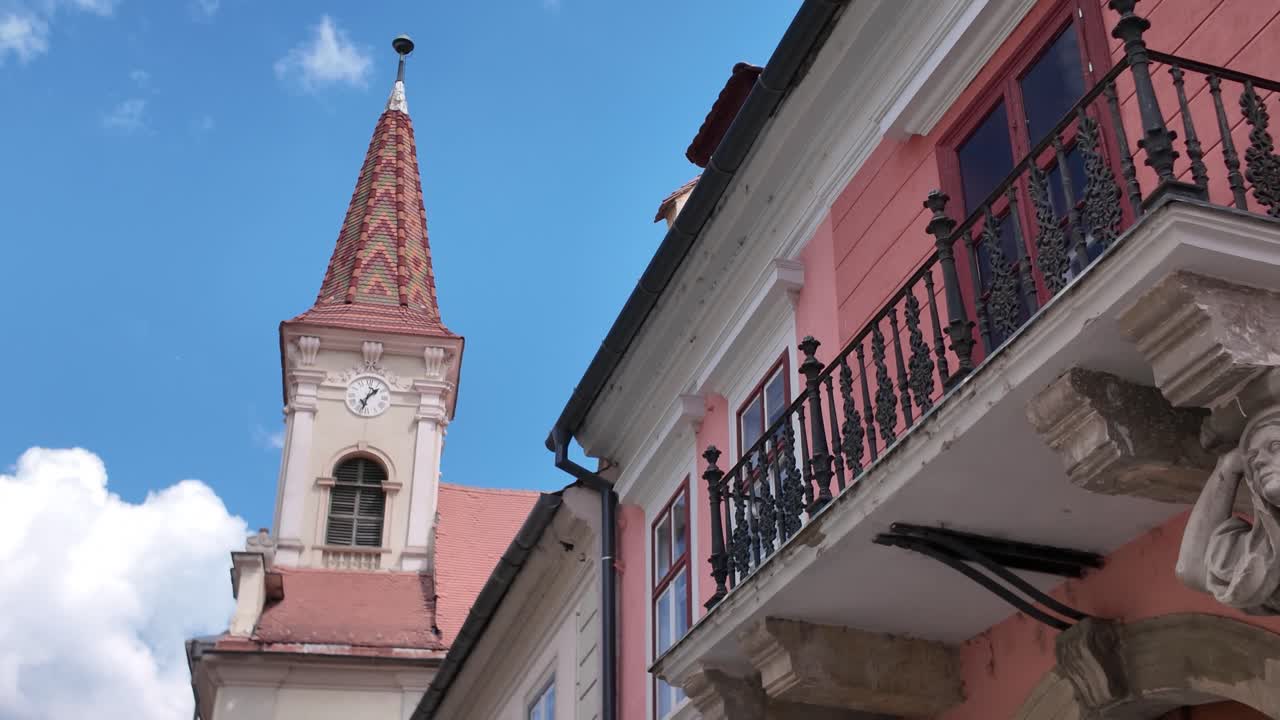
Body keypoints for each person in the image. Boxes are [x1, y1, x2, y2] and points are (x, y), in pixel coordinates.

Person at [1177, 407, 1280, 615]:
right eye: (1251, 459)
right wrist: (1227, 469)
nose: (1259, 461)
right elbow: (1193, 569)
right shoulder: (1267, 553)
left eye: (1275, 446)